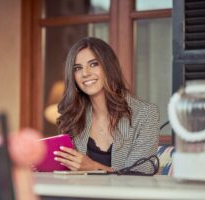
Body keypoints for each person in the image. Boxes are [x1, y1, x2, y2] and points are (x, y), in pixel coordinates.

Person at [55, 37, 159, 173]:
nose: (85, 73)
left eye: (93, 64)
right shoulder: (73, 116)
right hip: (81, 193)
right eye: (77, 68)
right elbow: (67, 171)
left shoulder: (146, 113)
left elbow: (141, 173)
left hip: (125, 195)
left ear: (109, 67)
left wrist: (94, 167)